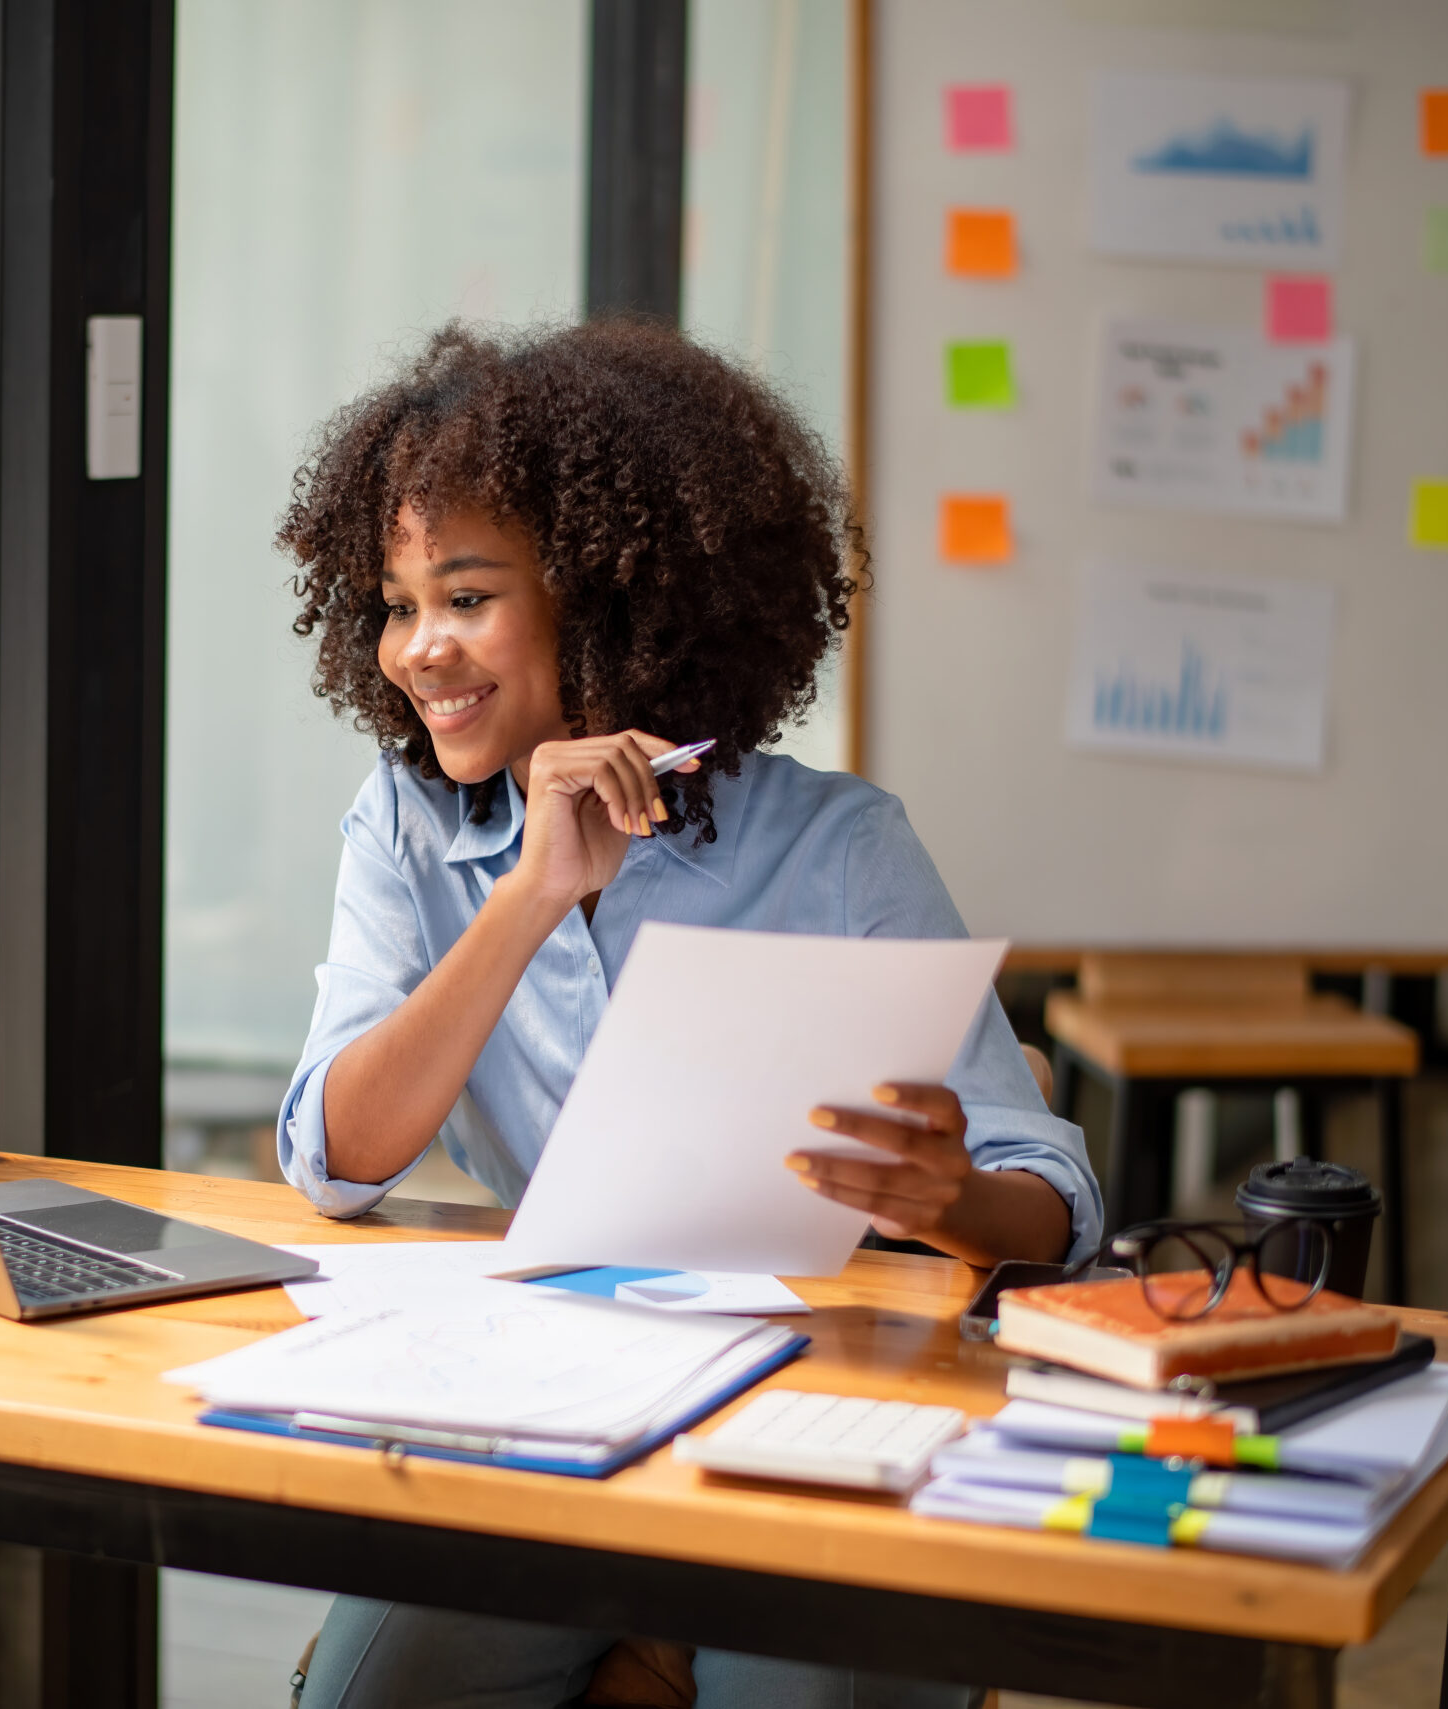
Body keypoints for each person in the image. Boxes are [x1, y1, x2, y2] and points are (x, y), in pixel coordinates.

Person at [271, 321, 1103, 1709]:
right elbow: (333, 1157)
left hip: (815, 1413)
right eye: (395, 603)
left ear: (600, 597)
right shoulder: (407, 826)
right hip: (545, 1413)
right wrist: (529, 895)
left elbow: (1050, 1199)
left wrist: (951, 1195)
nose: (417, 650)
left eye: (464, 597)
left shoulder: (838, 845)